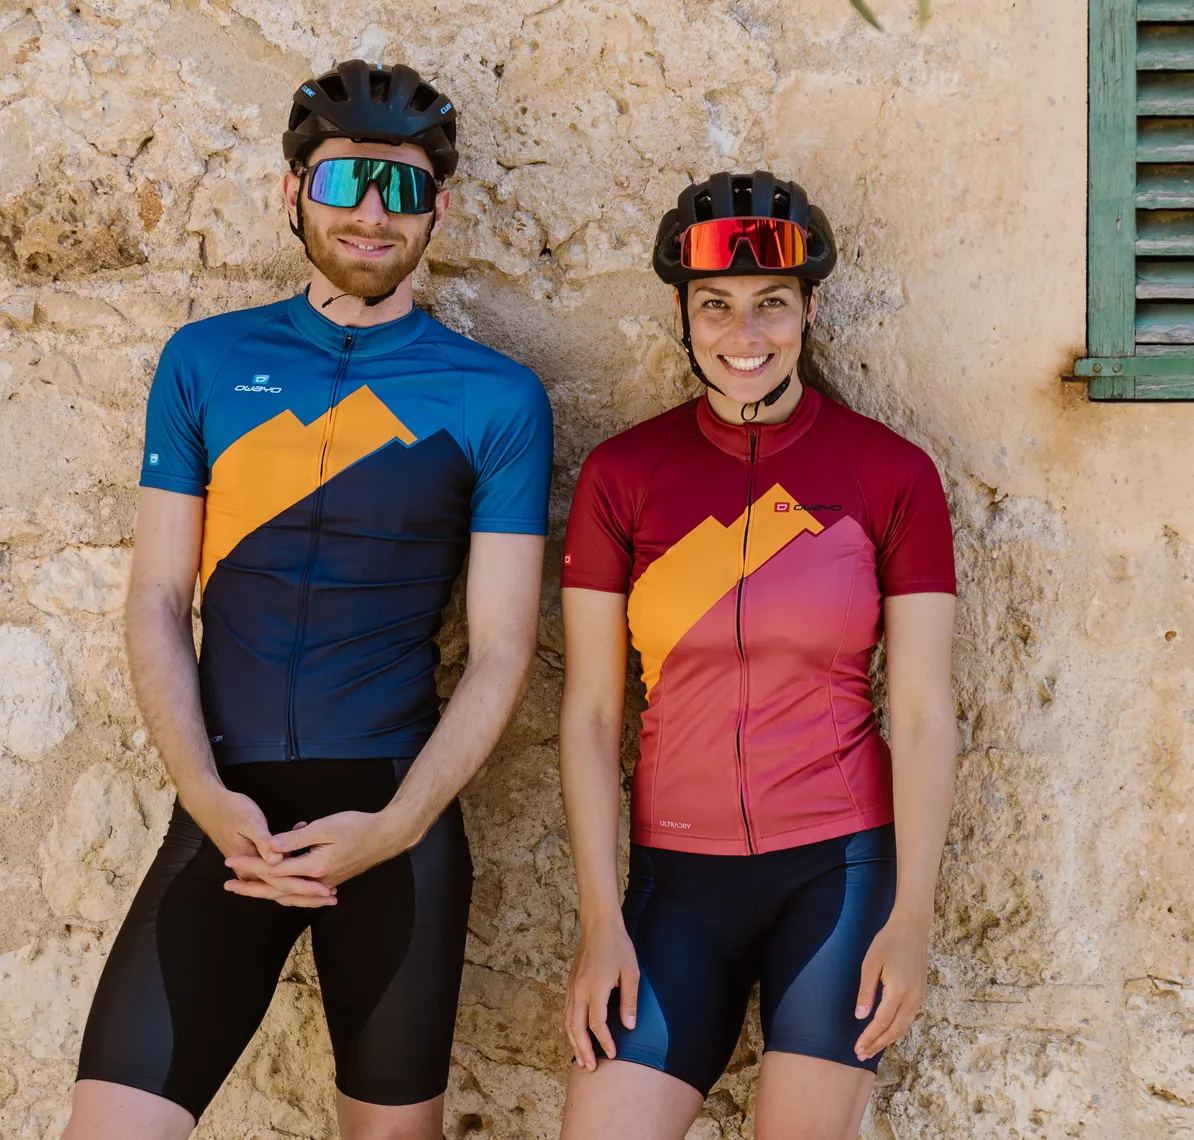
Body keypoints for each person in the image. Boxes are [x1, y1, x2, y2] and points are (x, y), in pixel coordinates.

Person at [63, 60, 553, 1140]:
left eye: (404, 187)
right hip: (221, 815)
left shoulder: (498, 397)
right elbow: (155, 599)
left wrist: (400, 824)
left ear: (441, 210)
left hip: (396, 823)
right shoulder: (203, 361)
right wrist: (201, 792)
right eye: (343, 184)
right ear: (292, 195)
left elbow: (506, 649)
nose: (373, 214)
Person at [557, 171, 957, 1140]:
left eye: (771, 304)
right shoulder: (623, 476)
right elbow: (592, 715)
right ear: (686, 317)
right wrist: (600, 922)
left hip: (839, 875)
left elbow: (922, 712)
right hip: (672, 885)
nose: (746, 333)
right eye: (717, 306)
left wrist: (911, 919)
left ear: (810, 308)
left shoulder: (891, 475)